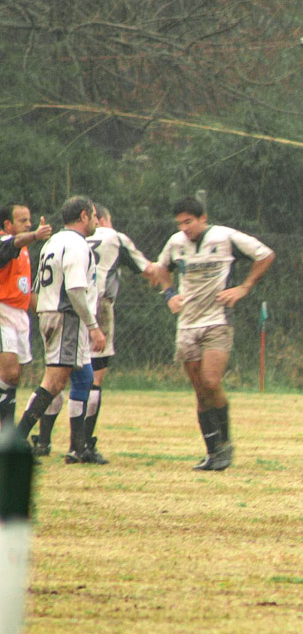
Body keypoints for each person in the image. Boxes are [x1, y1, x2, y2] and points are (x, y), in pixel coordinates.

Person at [154, 196, 275, 471]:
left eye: (189, 221)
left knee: (210, 381)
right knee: (199, 390)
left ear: (203, 218)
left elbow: (265, 255)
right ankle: (213, 452)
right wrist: (169, 293)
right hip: (187, 323)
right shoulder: (176, 243)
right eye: (180, 223)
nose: (184, 228)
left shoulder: (225, 237)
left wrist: (244, 287)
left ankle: (226, 442)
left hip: (217, 321)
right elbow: (160, 268)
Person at [11, 197, 106, 464]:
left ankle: (78, 447)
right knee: (53, 381)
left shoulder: (53, 242)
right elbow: (75, 289)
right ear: (84, 215)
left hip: (50, 311)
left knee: (85, 376)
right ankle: (17, 440)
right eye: (95, 216)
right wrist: (93, 326)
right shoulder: (77, 245)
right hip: (67, 316)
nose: (97, 221)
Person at [62, 205, 160, 458]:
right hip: (99, 306)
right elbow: (147, 269)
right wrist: (165, 273)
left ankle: (46, 441)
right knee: (95, 377)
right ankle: (84, 445)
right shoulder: (113, 236)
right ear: (102, 219)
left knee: (61, 375)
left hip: (67, 307)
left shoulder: (67, 238)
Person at [0, 204, 52, 441]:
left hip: (19, 314)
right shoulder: (5, 243)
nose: (29, 224)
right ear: (7, 225)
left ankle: (7, 436)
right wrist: (34, 236)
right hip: (2, 311)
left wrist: (44, 312)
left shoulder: (24, 251)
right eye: (22, 221)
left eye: (29, 220)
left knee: (14, 378)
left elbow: (27, 290)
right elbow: (12, 244)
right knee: (9, 372)